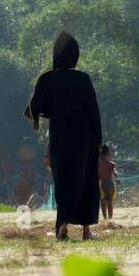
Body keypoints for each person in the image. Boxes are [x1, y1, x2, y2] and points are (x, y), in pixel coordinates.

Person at [24, 31, 103, 240]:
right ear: (75, 55)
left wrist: (44, 114)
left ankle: (63, 225)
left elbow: (31, 110)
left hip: (59, 137)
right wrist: (99, 141)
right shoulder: (83, 79)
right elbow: (94, 112)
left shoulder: (47, 78)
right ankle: (86, 231)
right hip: (84, 139)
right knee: (86, 182)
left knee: (63, 181)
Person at [98, 143, 118, 222]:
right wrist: (117, 178)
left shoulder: (98, 164)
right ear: (108, 154)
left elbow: (115, 171)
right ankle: (109, 219)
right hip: (110, 184)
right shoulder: (111, 164)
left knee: (103, 201)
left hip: (102, 184)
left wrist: (117, 177)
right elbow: (115, 172)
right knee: (109, 202)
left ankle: (106, 219)